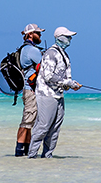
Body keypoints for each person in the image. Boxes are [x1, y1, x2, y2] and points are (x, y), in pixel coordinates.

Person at [28, 26, 82, 158]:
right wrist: (68, 82)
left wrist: (71, 84)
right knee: (43, 126)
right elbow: (48, 76)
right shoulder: (51, 53)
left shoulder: (63, 53)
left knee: (55, 128)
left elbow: (62, 77)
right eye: (68, 36)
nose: (70, 39)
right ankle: (32, 155)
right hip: (47, 95)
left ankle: (47, 156)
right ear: (60, 38)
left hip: (58, 95)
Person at [14, 24, 45, 157]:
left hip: (29, 89)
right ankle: (20, 150)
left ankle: (25, 150)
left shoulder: (24, 49)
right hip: (30, 89)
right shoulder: (32, 50)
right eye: (38, 33)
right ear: (31, 34)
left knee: (29, 121)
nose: (40, 35)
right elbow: (46, 66)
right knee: (27, 121)